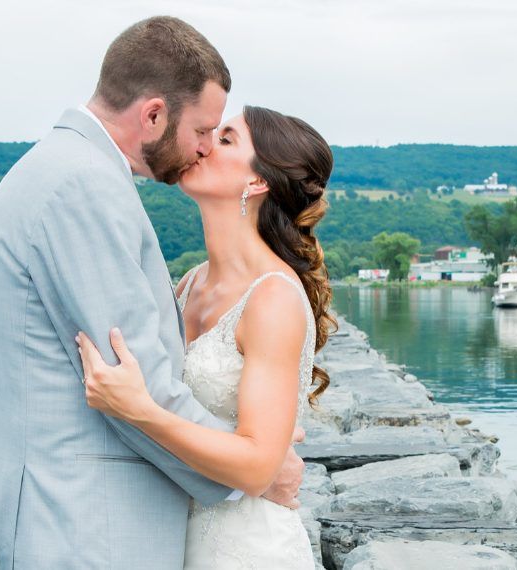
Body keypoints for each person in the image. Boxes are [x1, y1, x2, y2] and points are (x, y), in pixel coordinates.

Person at [0, 17, 304, 568]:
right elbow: (133, 383)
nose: (201, 150)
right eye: (203, 131)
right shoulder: (85, 187)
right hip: (88, 523)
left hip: (72, 514)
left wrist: (252, 462)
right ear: (153, 115)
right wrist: (255, 473)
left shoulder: (59, 168)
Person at [77, 104, 335, 569]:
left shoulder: (272, 298)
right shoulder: (189, 283)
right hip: (175, 538)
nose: (204, 143)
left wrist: (141, 411)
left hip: (248, 550)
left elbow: (258, 467)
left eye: (227, 138)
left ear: (257, 183)